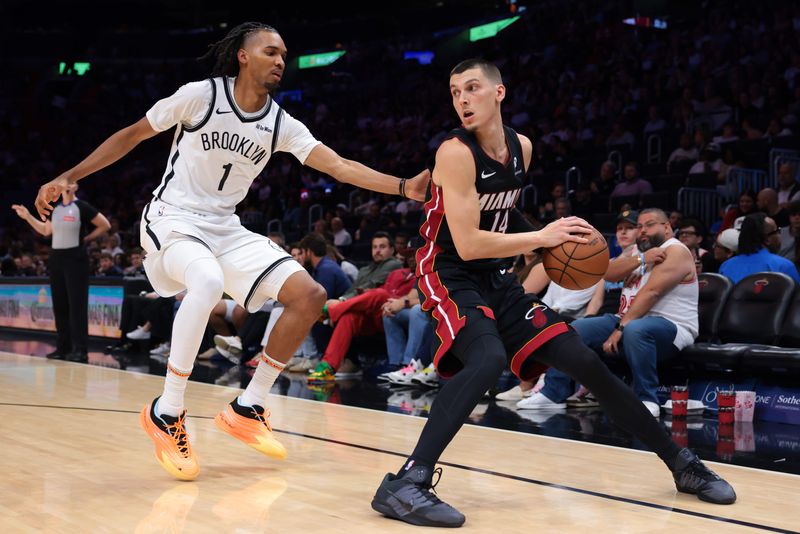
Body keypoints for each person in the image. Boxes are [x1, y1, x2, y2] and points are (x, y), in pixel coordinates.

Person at [33, 22, 429, 482]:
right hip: (173, 217)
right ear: (243, 56)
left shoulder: (280, 122)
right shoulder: (201, 96)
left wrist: (403, 186)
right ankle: (167, 411)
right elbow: (133, 134)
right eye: (270, 51)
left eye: (284, 54)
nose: (280, 60)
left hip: (225, 229)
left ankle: (249, 405)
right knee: (205, 282)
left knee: (309, 295)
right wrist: (69, 175)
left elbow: (338, 165)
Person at [370, 59, 735, 528]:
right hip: (447, 271)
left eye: (473, 88)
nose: (462, 99)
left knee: (583, 360)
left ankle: (681, 463)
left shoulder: (521, 148)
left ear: (499, 93)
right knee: (485, 359)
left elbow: (501, 219)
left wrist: (554, 239)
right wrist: (543, 238)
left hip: (494, 278)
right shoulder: (454, 154)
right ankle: (407, 481)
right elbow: (468, 242)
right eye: (455, 91)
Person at [12, 183, 110, 362]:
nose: (67, 186)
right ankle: (63, 348)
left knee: (77, 306)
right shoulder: (55, 208)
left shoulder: (82, 207)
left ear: (76, 186)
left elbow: (105, 224)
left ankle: (80, 350)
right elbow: (45, 230)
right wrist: (27, 217)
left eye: (70, 183)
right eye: (64, 183)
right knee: (60, 305)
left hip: (76, 257)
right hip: (57, 258)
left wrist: (86, 238)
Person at [720, 213, 800, 283]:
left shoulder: (726, 266)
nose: (780, 236)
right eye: (777, 231)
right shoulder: (783, 266)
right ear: (767, 239)